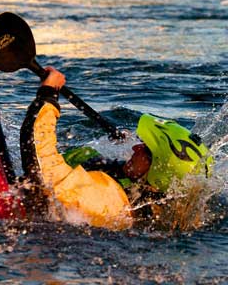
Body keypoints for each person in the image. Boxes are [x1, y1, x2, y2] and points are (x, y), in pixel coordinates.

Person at [20, 67, 213, 230]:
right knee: (87, 155)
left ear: (158, 172)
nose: (136, 147)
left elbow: (41, 164)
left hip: (38, 236)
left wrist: (48, 94)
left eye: (146, 150)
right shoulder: (144, 196)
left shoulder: (108, 201)